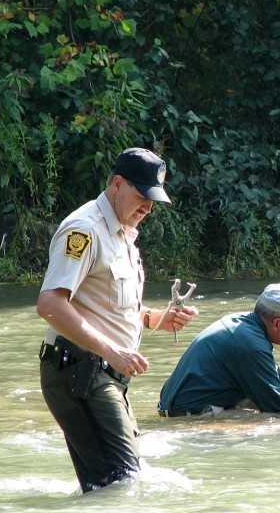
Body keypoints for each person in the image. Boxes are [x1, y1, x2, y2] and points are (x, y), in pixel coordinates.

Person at [37, 147, 198, 493]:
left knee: (111, 484)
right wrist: (112, 352)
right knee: (124, 485)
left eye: (153, 201)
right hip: (80, 371)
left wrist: (158, 319)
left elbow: (111, 309)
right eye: (142, 197)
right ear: (118, 184)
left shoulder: (123, 233)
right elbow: (50, 303)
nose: (148, 208)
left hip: (101, 375)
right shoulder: (84, 230)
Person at [158, 283, 280, 416]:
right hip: (189, 420)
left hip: (178, 410)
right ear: (277, 323)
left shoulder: (244, 325)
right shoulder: (250, 346)